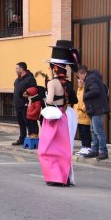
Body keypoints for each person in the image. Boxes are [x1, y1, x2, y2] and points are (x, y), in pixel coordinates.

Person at [38, 40, 79, 186]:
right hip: (64, 118)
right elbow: (73, 99)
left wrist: (45, 98)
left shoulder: (52, 83)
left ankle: (54, 177)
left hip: (53, 119)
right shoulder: (68, 83)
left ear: (54, 68)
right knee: (63, 149)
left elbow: (49, 101)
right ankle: (65, 178)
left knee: (47, 149)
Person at [78, 65, 110, 160]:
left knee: (98, 131)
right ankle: (95, 150)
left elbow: (96, 90)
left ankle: (103, 152)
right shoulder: (93, 78)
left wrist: (85, 96)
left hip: (96, 109)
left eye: (79, 76)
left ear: (82, 74)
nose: (80, 79)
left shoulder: (91, 79)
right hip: (94, 109)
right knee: (93, 130)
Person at [12, 62, 37, 145]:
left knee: (28, 122)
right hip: (18, 104)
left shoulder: (30, 79)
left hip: (25, 105)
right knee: (21, 122)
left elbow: (34, 91)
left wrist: (27, 97)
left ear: (21, 69)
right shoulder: (17, 79)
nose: (15, 70)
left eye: (17, 68)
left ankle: (31, 139)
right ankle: (22, 138)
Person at [73, 76, 91, 156]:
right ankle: (84, 147)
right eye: (78, 81)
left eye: (80, 81)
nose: (79, 82)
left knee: (86, 131)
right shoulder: (78, 90)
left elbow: (87, 101)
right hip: (78, 114)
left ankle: (88, 147)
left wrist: (83, 109)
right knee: (81, 132)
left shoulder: (86, 89)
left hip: (84, 114)